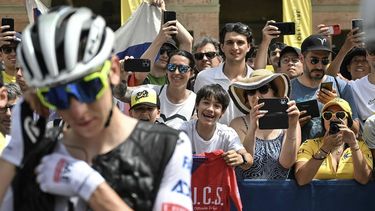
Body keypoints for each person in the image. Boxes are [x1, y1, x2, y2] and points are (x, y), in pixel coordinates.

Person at [0, 7, 193, 211]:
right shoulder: (41, 148)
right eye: (57, 97)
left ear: (114, 71)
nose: (76, 110)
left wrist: (90, 186)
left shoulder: (167, 146)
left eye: (87, 88)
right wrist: (15, 156)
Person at [229, 69, 301, 179]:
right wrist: (252, 128)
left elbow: (287, 163)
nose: (256, 96)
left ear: (275, 93)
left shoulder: (291, 122)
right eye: (251, 91)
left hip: (278, 193)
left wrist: (292, 127)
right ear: (246, 98)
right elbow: (245, 164)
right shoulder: (238, 123)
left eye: (263, 89)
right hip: (246, 193)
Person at [290, 34, 360, 142]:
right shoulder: (287, 89)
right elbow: (275, 133)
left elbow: (355, 131)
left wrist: (337, 104)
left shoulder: (342, 86)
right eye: (314, 60)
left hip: (335, 155)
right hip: (302, 156)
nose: (319, 66)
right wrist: (292, 125)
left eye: (325, 61)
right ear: (302, 58)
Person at [295, 98, 372, 185]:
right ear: (323, 121)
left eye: (340, 114)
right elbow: (301, 179)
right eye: (328, 115)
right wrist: (324, 149)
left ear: (349, 121)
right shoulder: (309, 144)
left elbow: (364, 179)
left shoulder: (360, 146)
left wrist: (354, 145)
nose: (334, 118)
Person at [178, 84, 253, 170]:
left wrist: (241, 159)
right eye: (206, 103)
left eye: (216, 106)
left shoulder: (228, 134)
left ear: (222, 112)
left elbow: (249, 160)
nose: (210, 109)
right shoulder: (182, 130)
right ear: (197, 105)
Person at [194, 22, 254, 125]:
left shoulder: (256, 80)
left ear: (248, 47)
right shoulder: (204, 78)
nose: (235, 47)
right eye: (230, 42)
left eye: (240, 42)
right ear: (222, 47)